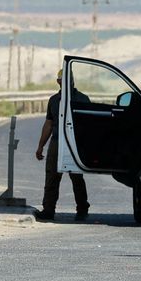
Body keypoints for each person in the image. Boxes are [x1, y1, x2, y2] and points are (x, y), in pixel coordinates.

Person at [34, 69, 91, 221]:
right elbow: (48, 124)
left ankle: (82, 209)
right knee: (52, 177)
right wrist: (41, 146)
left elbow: (89, 125)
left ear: (72, 80)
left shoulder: (83, 99)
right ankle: (48, 210)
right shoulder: (54, 100)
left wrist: (86, 146)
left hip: (75, 144)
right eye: (62, 79)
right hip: (57, 143)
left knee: (77, 177)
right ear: (58, 82)